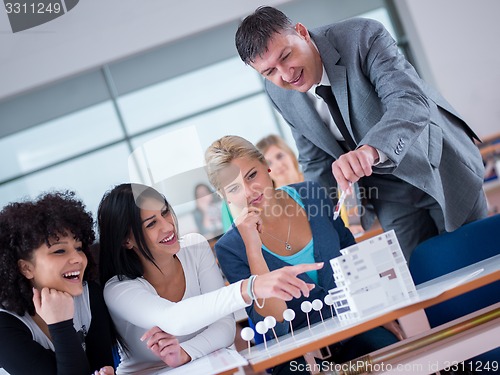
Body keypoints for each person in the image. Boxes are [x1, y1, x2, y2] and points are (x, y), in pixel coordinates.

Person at [234, 6, 487, 260]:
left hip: (438, 165)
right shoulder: (279, 93)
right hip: (387, 194)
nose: (286, 74)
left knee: (475, 264)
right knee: (421, 277)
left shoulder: (362, 37)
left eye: (286, 56)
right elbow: (315, 159)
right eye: (269, 72)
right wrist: (317, 219)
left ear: (301, 33)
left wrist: (370, 151)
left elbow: (408, 101)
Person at [205, 135, 401, 374]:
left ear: (266, 167)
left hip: (354, 329)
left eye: (252, 175)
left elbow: (350, 249)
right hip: (295, 356)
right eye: (234, 188)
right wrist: (252, 247)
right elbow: (274, 323)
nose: (248, 191)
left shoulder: (311, 193)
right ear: (225, 197)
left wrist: (381, 314)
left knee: (394, 354)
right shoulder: (230, 248)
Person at [97, 183, 323, 375]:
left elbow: (224, 328)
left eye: (165, 212)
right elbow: (174, 319)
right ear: (127, 240)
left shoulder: (194, 247)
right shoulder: (117, 288)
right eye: (151, 224)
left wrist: (186, 353)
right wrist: (251, 287)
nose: (168, 226)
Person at [0, 191, 116, 375]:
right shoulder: (5, 328)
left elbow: (103, 368)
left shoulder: (89, 296)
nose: (78, 258)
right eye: (60, 251)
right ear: (26, 268)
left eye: (78, 248)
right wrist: (60, 324)